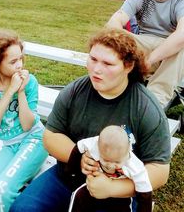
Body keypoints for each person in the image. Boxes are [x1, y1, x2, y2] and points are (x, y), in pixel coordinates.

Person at [10, 28, 171, 212]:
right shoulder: (74, 91)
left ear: (128, 66)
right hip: (68, 176)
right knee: (22, 209)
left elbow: (160, 169)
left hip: (116, 193)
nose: (96, 69)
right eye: (93, 59)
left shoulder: (146, 108)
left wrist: (114, 188)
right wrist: (78, 158)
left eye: (108, 64)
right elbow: (51, 136)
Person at [107, 0, 184, 109]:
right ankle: (110, 87)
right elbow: (113, 22)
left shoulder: (179, 0)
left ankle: (154, 103)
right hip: (144, 45)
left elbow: (181, 36)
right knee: (113, 36)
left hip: (170, 52)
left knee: (181, 46)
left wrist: (148, 61)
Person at [0, 30, 48, 212]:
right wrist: (10, 90)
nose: (19, 65)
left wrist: (20, 91)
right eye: (13, 62)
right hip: (10, 146)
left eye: (20, 59)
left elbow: (28, 125)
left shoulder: (30, 82)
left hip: (34, 140)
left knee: (3, 190)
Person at [68, 125, 152, 212]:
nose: (111, 165)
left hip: (118, 192)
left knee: (123, 207)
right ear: (98, 147)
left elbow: (145, 190)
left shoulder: (133, 164)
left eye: (117, 162)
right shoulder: (94, 143)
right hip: (94, 184)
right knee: (79, 196)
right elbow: (78, 147)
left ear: (127, 152)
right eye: (106, 160)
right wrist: (72, 171)